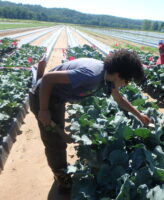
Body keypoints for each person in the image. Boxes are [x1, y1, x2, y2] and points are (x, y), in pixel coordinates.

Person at [29, 49, 150, 193]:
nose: (126, 84)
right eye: (127, 80)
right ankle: (61, 177)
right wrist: (43, 110)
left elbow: (119, 99)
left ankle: (60, 169)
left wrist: (139, 115)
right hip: (42, 97)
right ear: (118, 75)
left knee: (59, 138)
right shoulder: (91, 75)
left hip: (57, 99)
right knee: (54, 143)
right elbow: (48, 79)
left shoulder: (107, 76)